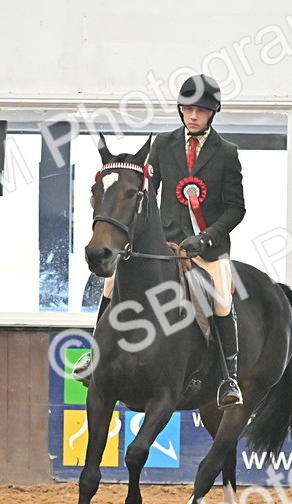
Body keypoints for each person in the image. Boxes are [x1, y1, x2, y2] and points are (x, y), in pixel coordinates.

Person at [83, 74, 247, 409]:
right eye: (188, 109)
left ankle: (228, 379)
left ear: (212, 113)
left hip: (207, 250)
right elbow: (147, 195)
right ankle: (94, 355)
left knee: (221, 301)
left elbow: (235, 208)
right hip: (163, 247)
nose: (193, 116)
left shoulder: (227, 153)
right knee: (111, 284)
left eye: (200, 111)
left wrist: (205, 238)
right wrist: (147, 236)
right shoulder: (163, 145)